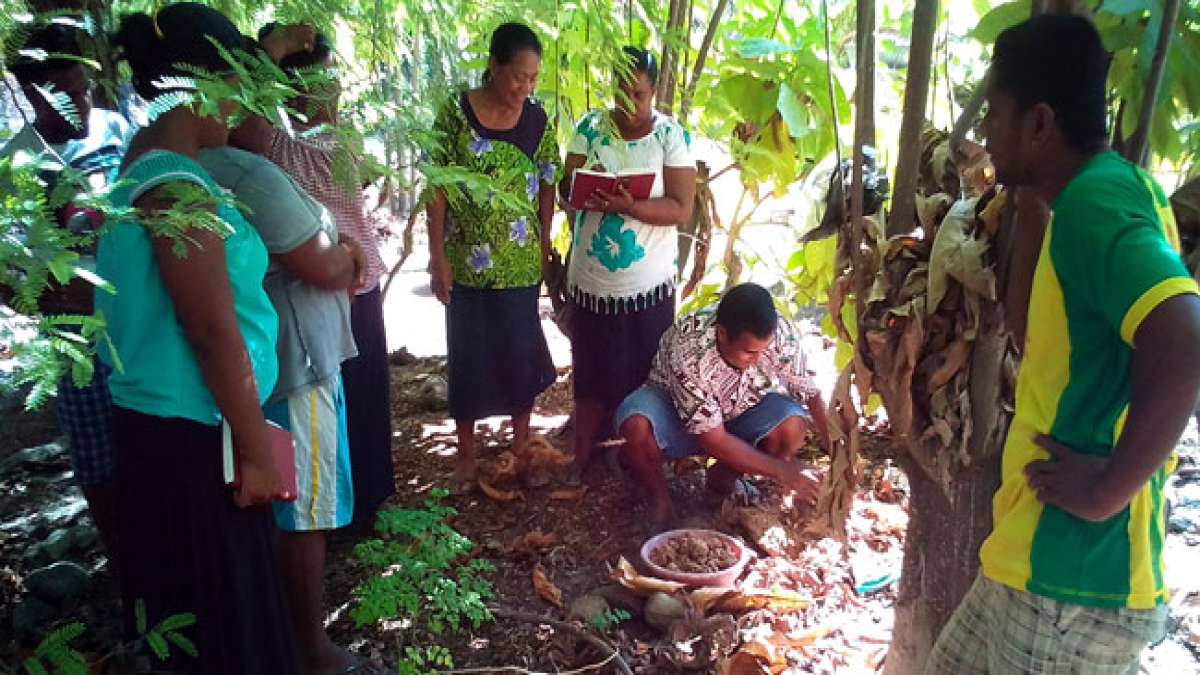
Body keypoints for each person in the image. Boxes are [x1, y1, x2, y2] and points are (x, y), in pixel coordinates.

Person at [927, 15, 1200, 674]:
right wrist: (1029, 208)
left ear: (1041, 123)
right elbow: (1035, 334)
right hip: (1029, 557)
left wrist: (1107, 489)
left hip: (1073, 580)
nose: (986, 134)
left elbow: (1186, 338)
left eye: (996, 114)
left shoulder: (1097, 207)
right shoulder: (1077, 203)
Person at [101, 4, 296, 672]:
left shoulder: (139, 167)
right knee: (221, 628)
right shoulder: (174, 185)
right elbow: (211, 330)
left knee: (198, 624)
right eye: (236, 82)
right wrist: (256, 449)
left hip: (168, 435)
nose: (241, 104)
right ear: (207, 83)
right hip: (194, 446)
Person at [198, 130, 374, 672]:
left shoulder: (201, 166)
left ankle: (283, 632)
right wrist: (347, 255)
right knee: (301, 505)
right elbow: (321, 264)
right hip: (296, 363)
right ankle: (307, 648)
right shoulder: (244, 173)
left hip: (278, 363)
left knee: (286, 499)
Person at [242, 26, 396, 528]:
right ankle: (336, 517)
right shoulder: (281, 149)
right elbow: (249, 122)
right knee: (335, 415)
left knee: (364, 404)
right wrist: (273, 53)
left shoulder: (336, 141)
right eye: (319, 80)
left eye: (332, 79)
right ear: (293, 88)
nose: (332, 90)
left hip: (358, 287)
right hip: (321, 298)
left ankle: (365, 510)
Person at [2, 23, 133, 574]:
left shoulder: (116, 131)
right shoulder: (16, 165)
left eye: (83, 88)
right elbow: (9, 275)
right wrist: (51, 303)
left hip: (138, 321)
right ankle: (125, 567)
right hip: (73, 336)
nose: (81, 101)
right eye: (66, 92)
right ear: (31, 93)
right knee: (98, 458)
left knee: (150, 441)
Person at [426, 22, 560, 492]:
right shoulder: (456, 114)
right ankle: (466, 456)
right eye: (518, 76)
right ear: (493, 65)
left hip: (519, 265)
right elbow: (437, 186)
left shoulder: (538, 120)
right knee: (468, 357)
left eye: (533, 77)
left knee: (519, 355)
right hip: (465, 263)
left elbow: (548, 182)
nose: (526, 87)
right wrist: (437, 254)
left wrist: (544, 247)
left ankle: (521, 448)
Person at [559, 47, 696, 485]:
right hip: (592, 279)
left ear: (654, 91)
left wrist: (630, 205)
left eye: (638, 94)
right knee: (591, 369)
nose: (628, 103)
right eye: (621, 93)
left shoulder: (669, 137)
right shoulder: (590, 128)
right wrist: (583, 191)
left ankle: (639, 458)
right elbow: (568, 188)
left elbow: (680, 207)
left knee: (644, 370)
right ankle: (583, 457)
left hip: (647, 283)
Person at [616, 283, 830, 530]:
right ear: (722, 334)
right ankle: (660, 502)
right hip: (679, 419)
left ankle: (723, 479)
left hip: (739, 412)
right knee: (636, 424)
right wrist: (784, 471)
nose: (758, 360)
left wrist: (835, 445)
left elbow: (811, 392)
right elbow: (712, 439)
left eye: (764, 350)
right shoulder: (689, 347)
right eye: (749, 352)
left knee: (793, 426)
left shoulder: (779, 334)